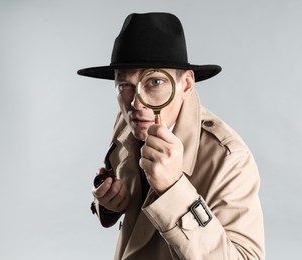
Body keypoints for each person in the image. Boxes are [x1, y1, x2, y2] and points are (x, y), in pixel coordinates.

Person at [78, 12, 265, 260]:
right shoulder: (126, 124)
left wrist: (174, 188)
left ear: (186, 85)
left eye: (154, 82)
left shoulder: (230, 158)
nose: (136, 103)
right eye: (125, 85)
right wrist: (110, 204)